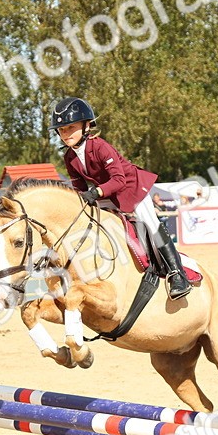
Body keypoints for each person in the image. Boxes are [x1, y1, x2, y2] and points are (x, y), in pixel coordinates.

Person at [50, 96, 191, 299]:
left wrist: (96, 192)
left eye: (70, 127)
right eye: (62, 130)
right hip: (107, 193)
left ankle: (177, 274)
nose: (65, 133)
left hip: (131, 188)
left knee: (151, 225)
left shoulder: (100, 147)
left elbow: (119, 180)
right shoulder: (69, 157)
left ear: (87, 125)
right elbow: (79, 188)